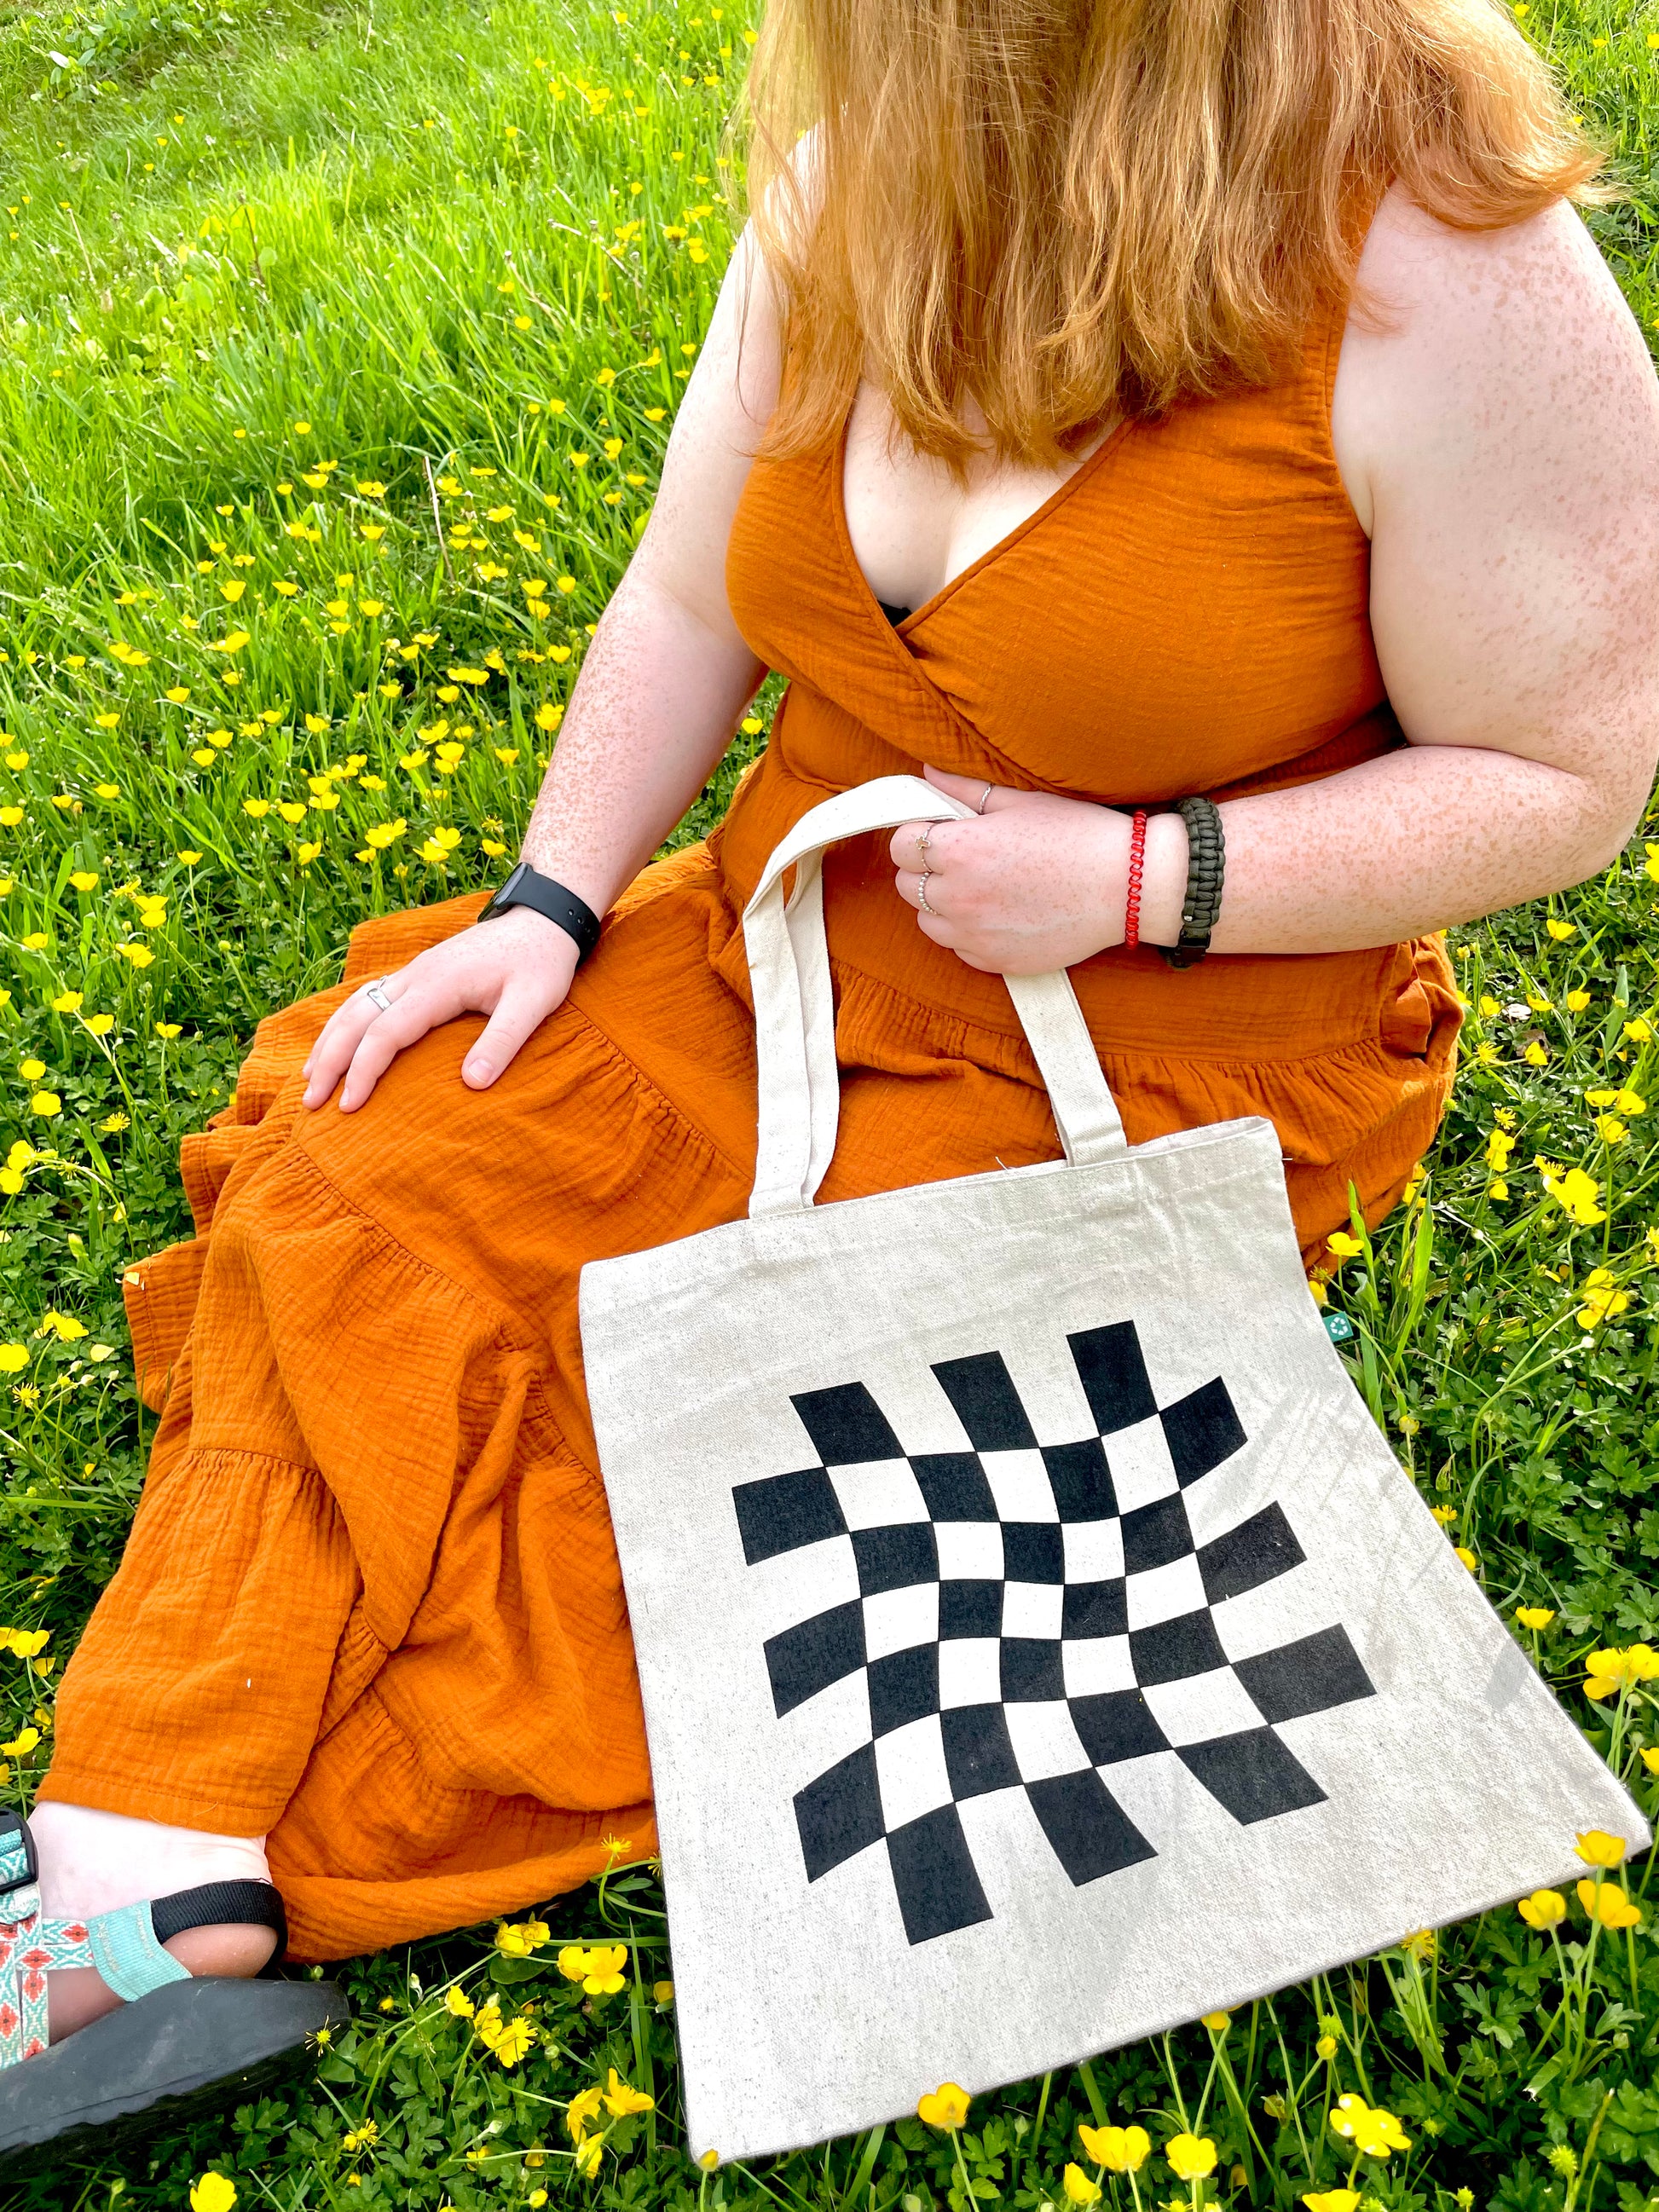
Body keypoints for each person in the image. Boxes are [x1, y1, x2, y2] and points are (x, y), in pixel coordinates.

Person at [8, 0, 1659, 2146]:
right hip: (778, 942)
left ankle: (191, 1871)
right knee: (370, 1169)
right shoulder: (865, 143)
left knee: (764, 1466)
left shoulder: (1437, 248)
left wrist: (1149, 874)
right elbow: (692, 588)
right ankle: (145, 1843)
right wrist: (544, 901)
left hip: (1164, 1021)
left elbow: (1566, 779)